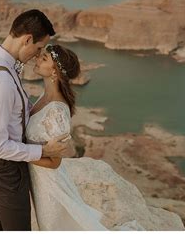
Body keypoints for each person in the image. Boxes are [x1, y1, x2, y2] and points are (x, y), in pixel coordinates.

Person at [27, 43, 146, 231]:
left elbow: (55, 162)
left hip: (49, 187)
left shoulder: (57, 110)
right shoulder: (44, 96)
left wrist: (20, 153)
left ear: (55, 71)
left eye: (44, 59)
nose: (37, 59)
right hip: (37, 179)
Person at [0, 9, 71, 231]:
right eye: (37, 48)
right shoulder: (2, 82)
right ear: (27, 39)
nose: (37, 55)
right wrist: (43, 151)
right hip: (5, 166)